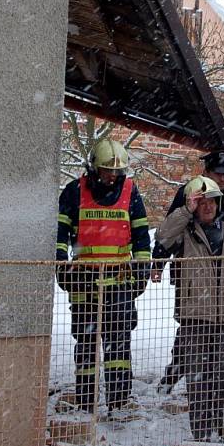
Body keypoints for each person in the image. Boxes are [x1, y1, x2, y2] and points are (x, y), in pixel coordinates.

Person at [55, 139, 151, 415]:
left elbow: (142, 237)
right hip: (84, 283)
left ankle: (119, 402)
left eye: (118, 173)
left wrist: (141, 272)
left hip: (120, 283)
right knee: (86, 345)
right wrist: (62, 268)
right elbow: (61, 236)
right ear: (93, 169)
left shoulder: (131, 193)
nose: (113, 177)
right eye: (107, 171)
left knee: (119, 346)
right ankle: (86, 402)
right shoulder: (74, 192)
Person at [156, 176, 224, 442]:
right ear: (194, 205)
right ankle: (201, 432)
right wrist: (185, 209)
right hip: (195, 315)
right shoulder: (185, 232)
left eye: (212, 201)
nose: (208, 206)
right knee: (198, 378)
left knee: (223, 376)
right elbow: (163, 236)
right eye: (202, 202)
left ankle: (222, 431)